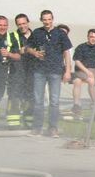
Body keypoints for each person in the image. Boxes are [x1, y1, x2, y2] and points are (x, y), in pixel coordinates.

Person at [25, 9, 72, 138]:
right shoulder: (37, 32)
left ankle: (52, 128)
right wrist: (34, 52)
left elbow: (67, 52)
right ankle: (37, 128)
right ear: (41, 20)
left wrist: (67, 71)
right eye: (44, 19)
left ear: (53, 19)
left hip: (55, 71)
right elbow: (27, 47)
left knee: (54, 101)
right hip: (39, 70)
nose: (47, 22)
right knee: (38, 100)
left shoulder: (60, 33)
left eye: (49, 19)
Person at [71, 29, 95, 117]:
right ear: (88, 37)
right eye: (91, 37)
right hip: (81, 70)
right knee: (90, 80)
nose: (93, 39)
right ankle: (80, 104)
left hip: (94, 69)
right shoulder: (81, 47)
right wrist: (87, 71)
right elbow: (77, 61)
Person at [0, 15, 13, 118]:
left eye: (5, 25)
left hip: (3, 69)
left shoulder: (10, 37)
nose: (2, 27)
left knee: (0, 91)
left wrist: (9, 54)